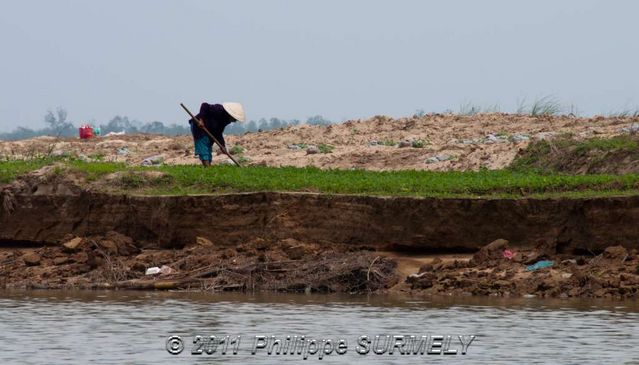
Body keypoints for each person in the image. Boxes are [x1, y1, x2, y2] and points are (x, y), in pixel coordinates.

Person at [189, 102, 245, 166]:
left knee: (208, 148)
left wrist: (222, 146)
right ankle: (207, 168)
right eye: (235, 119)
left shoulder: (225, 120)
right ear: (231, 114)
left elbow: (218, 133)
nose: (235, 121)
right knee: (203, 146)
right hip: (199, 126)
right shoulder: (218, 109)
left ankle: (208, 167)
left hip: (209, 130)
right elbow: (204, 105)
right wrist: (201, 120)